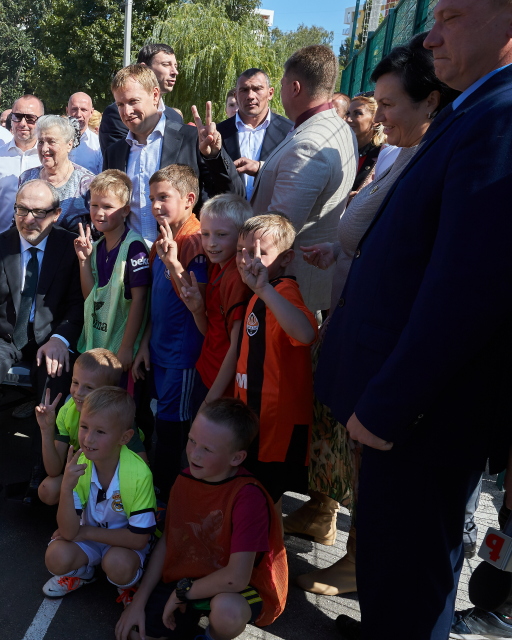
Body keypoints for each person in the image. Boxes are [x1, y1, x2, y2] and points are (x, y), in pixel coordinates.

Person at [292, 34, 459, 599]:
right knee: (359, 464)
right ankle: (357, 557)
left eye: (388, 106)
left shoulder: (435, 157)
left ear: (430, 101)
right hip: (359, 324)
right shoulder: (401, 152)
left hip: (390, 352)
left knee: (383, 478)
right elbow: (371, 235)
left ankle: (366, 566)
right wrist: (337, 251)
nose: (378, 118)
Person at [0, 179, 84, 497]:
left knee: (56, 366)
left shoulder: (69, 247)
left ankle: (42, 467)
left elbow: (79, 304)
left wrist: (61, 339)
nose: (29, 218)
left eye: (38, 211)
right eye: (22, 209)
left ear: (56, 213)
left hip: (48, 339)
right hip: (3, 337)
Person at [115, 399, 287, 640]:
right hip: (188, 576)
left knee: (228, 612)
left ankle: (211, 635)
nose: (194, 453)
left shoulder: (248, 496)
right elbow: (167, 543)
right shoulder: (185, 480)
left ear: (236, 458)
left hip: (237, 587)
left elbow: (236, 578)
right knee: (137, 634)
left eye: (207, 449)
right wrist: (138, 601)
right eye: (192, 440)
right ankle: (184, 623)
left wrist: (182, 593)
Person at [238, 46, 356, 314]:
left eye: (280, 85)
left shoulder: (309, 145)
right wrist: (263, 168)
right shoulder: (335, 126)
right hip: (303, 284)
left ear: (294, 88)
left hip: (287, 291)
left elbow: (277, 230)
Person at [104, 64, 242, 243]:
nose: (126, 112)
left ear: (155, 95)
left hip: (183, 257)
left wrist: (213, 157)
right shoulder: (114, 153)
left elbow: (233, 195)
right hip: (131, 263)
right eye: (120, 104)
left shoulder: (191, 139)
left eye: (133, 101)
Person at [134, 164, 208, 494]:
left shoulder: (196, 242)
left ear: (189, 199)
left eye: (164, 197)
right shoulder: (161, 240)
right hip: (159, 351)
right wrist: (144, 343)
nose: (155, 206)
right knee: (155, 424)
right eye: (151, 198)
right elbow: (155, 301)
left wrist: (173, 263)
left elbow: (198, 301)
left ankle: (165, 499)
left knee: (172, 430)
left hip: (182, 357)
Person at [41, 386, 155, 601]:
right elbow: (67, 531)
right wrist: (66, 487)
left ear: (125, 437)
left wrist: (84, 533)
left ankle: (128, 585)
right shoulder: (80, 463)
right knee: (55, 557)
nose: (88, 439)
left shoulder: (139, 474)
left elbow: (139, 539)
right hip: (90, 538)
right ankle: (83, 575)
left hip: (123, 544)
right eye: (84, 427)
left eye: (100, 431)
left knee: (118, 564)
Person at [233, 214, 317, 505]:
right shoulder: (259, 292)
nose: (247, 259)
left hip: (276, 430)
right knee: (258, 501)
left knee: (262, 502)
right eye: (241, 251)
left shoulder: (281, 291)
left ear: (286, 258)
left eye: (260, 253)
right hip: (255, 421)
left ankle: (268, 553)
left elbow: (305, 334)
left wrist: (265, 290)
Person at [36, 349, 147, 505]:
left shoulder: (120, 418)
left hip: (114, 479)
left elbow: (143, 468)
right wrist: (46, 430)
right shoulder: (67, 412)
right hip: (84, 474)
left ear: (109, 391)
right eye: (75, 383)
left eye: (89, 388)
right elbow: (53, 470)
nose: (79, 392)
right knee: (48, 489)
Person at [74, 170, 150, 371]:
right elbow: (91, 298)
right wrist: (84, 261)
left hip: (122, 353)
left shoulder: (134, 247)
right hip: (98, 348)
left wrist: (126, 347)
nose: (99, 213)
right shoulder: (97, 246)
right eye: (94, 205)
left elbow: (140, 299)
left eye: (108, 207)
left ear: (125, 210)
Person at [186, 194, 254, 418]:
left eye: (221, 235)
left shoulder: (236, 278)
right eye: (205, 234)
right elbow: (212, 331)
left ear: (242, 236)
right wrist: (197, 310)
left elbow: (237, 346)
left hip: (220, 387)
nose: (210, 243)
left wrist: (211, 399)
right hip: (207, 370)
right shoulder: (217, 265)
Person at [216, 69, 293, 199]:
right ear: (235, 95)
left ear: (270, 93)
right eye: (244, 90)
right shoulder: (219, 132)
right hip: (229, 215)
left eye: (257, 89)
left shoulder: (289, 131)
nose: (250, 96)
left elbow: (293, 175)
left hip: (272, 214)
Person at [99, 43, 185, 154]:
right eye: (165, 65)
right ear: (144, 68)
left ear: (155, 95)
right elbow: (116, 163)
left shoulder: (175, 117)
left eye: (175, 66)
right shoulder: (117, 114)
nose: (174, 72)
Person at [0, 95, 44, 238]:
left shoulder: (47, 159)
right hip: (0, 242)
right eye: (17, 117)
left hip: (38, 242)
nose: (22, 123)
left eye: (30, 118)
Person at [19, 115, 95, 232]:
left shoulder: (87, 183)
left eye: (51, 142)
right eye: (40, 142)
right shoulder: (27, 178)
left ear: (69, 145)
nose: (44, 149)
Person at [345, 94, 387, 192]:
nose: (348, 119)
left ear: (375, 119)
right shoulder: (340, 149)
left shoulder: (383, 155)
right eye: (348, 113)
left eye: (357, 113)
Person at [67, 92, 103, 175]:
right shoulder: (56, 141)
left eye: (84, 110)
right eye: (74, 109)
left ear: (91, 112)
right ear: (67, 110)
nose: (78, 114)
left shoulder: (98, 145)